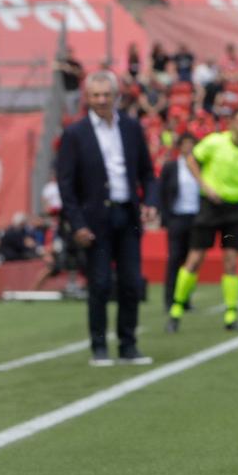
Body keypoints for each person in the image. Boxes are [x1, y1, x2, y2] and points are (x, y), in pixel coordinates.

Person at [56, 71, 157, 365]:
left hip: (127, 214)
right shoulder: (75, 134)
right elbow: (66, 185)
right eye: (96, 95)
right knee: (99, 284)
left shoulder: (131, 127)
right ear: (87, 98)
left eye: (106, 95)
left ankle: (128, 345)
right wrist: (77, 224)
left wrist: (150, 202)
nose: (101, 100)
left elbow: (148, 174)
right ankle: (99, 347)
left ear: (117, 96)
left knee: (131, 283)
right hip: (94, 220)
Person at [167, 107, 238, 333]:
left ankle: (231, 314)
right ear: (231, 124)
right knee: (195, 258)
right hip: (210, 208)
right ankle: (176, 309)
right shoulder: (215, 142)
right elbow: (191, 160)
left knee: (231, 260)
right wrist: (204, 185)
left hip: (234, 212)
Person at [156, 132, 201, 312]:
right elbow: (163, 193)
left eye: (192, 143)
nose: (188, 147)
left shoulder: (200, 166)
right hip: (177, 218)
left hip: (196, 218)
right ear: (180, 146)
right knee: (174, 259)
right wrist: (165, 217)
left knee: (191, 262)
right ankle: (170, 300)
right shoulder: (171, 167)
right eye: (186, 143)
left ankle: (185, 299)